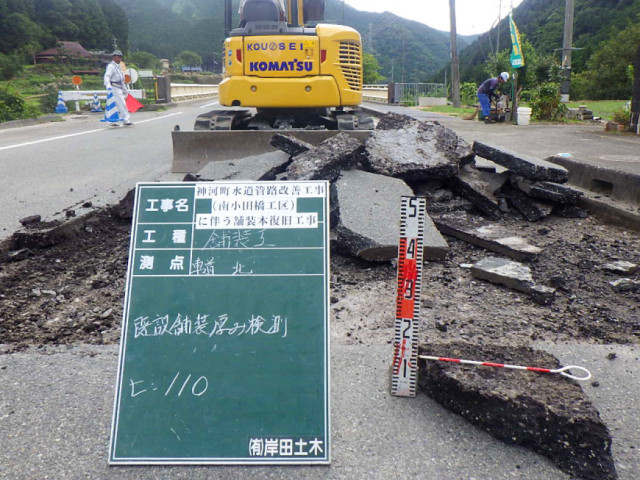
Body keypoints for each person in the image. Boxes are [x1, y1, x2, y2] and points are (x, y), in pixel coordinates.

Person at [103, 50, 133, 126]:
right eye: (118, 57)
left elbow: (121, 80)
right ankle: (126, 119)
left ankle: (112, 121)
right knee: (121, 103)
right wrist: (107, 85)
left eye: (120, 57)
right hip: (114, 87)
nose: (119, 59)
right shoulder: (111, 66)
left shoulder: (119, 67)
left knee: (115, 104)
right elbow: (107, 76)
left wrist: (125, 89)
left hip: (119, 87)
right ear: (114, 57)